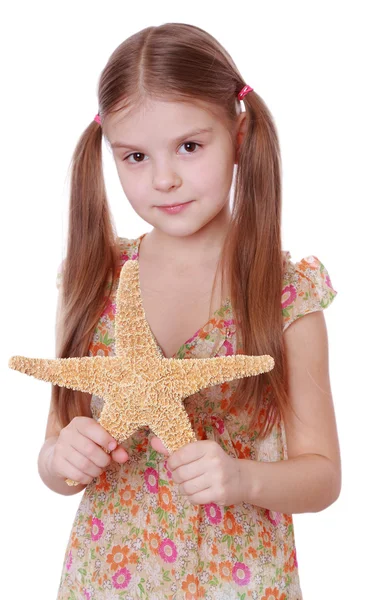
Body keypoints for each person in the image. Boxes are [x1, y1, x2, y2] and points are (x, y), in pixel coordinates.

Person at [38, 22, 341, 600]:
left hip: (242, 580)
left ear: (240, 136)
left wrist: (244, 477)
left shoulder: (285, 296)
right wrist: (62, 457)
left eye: (190, 146)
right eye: (134, 156)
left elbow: (323, 475)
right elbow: (56, 462)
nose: (164, 178)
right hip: (108, 578)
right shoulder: (94, 282)